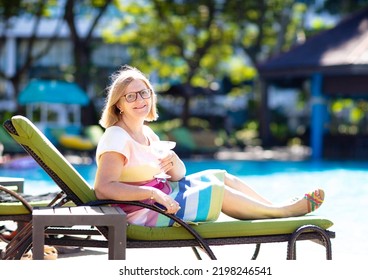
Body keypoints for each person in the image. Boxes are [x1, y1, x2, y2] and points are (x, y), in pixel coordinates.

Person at [94, 65, 325, 227]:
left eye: (144, 93)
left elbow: (178, 176)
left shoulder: (147, 133)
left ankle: (274, 207)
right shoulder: (116, 137)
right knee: (217, 191)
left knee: (222, 177)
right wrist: (152, 192)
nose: (140, 100)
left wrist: (175, 163)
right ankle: (282, 213)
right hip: (144, 212)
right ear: (119, 105)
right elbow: (103, 188)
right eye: (130, 96)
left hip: (163, 196)